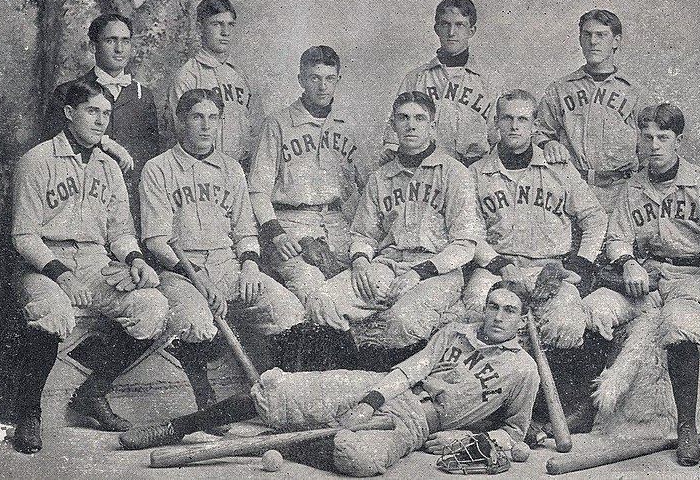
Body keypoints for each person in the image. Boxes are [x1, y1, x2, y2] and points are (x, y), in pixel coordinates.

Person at [119, 285, 539, 477]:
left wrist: (465, 439)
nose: (498, 316)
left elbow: (514, 431)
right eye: (493, 306)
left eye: (509, 310)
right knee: (278, 389)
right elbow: (409, 369)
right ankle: (176, 427)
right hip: (382, 387)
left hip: (416, 422)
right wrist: (369, 400)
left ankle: (290, 441)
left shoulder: (523, 370)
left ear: (522, 320)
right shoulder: (455, 333)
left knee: (360, 460)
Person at [11, 80, 169, 453]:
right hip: (45, 262)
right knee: (53, 311)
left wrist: (135, 260)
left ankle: (92, 394)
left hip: (97, 261)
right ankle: (28, 413)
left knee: (152, 307)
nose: (101, 121)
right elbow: (23, 237)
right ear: (69, 113)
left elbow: (122, 232)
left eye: (106, 114)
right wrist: (61, 275)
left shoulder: (109, 168)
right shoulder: (37, 160)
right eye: (92, 111)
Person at [140, 88, 306, 415]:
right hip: (180, 271)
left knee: (286, 308)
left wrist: (249, 267)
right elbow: (156, 240)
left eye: (213, 118)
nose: (205, 126)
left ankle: (284, 394)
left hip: (228, 267)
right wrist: (197, 279)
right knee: (197, 322)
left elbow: (246, 231)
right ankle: (207, 402)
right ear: (180, 121)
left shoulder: (231, 170)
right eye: (197, 117)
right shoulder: (157, 169)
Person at [604, 103, 700, 466]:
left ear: (678, 141)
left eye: (663, 138)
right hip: (648, 278)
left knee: (680, 325)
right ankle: (591, 410)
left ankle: (685, 427)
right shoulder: (632, 187)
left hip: (693, 278)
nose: (654, 145)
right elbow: (615, 237)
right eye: (647, 137)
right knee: (594, 310)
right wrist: (627, 261)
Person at [465, 89, 610, 435]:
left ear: (533, 125)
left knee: (566, 320)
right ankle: (489, 407)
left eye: (523, 119)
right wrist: (499, 265)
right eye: (507, 118)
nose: (514, 126)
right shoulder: (475, 173)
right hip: (497, 266)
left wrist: (578, 266)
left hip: (550, 266)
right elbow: (469, 232)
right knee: (473, 311)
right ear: (496, 123)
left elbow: (595, 218)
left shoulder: (558, 167)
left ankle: (545, 412)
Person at [313, 91, 483, 369]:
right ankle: (349, 372)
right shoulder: (381, 177)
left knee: (401, 320)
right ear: (393, 124)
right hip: (388, 265)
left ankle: (388, 383)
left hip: (436, 271)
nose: (411, 125)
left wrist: (420, 272)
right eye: (403, 118)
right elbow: (363, 234)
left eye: (419, 118)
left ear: (432, 126)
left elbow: (465, 243)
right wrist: (360, 261)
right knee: (323, 300)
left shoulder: (454, 173)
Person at [248, 45, 362, 311]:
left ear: (338, 80)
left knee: (359, 287)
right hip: (291, 225)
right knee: (311, 287)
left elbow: (370, 185)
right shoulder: (277, 124)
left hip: (338, 225)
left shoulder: (348, 125)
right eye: (314, 78)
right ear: (301, 79)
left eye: (329, 78)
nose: (323, 86)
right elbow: (257, 190)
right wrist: (276, 234)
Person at [44, 13, 161, 220]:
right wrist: (105, 143)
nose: (119, 49)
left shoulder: (144, 95)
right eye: (110, 40)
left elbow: (151, 154)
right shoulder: (67, 92)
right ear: (93, 47)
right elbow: (54, 149)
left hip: (131, 204)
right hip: (82, 199)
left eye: (125, 41)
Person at [533, 9, 650, 209]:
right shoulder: (560, 89)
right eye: (587, 35)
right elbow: (538, 132)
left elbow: (649, 146)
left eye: (601, 35)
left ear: (616, 41)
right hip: (572, 187)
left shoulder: (634, 93)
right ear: (580, 40)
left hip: (622, 191)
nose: (593, 42)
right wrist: (548, 144)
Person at [383, 0, 495, 167]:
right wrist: (391, 148)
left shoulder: (489, 81)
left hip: (473, 170)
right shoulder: (417, 78)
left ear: (471, 31)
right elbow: (394, 130)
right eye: (445, 24)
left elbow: (499, 137)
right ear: (436, 29)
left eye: (459, 25)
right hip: (423, 170)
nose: (451, 32)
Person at [165, 0, 263, 172]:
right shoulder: (188, 75)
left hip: (239, 171)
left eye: (230, 25)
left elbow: (256, 129)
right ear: (199, 28)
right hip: (200, 169)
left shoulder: (242, 76)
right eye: (217, 24)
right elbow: (179, 130)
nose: (225, 32)